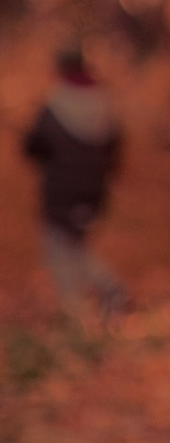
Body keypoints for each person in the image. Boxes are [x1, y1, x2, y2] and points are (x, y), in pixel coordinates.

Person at [25, 42, 124, 322]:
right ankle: (96, 300)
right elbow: (115, 150)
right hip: (94, 190)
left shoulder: (54, 105)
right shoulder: (104, 103)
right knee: (73, 245)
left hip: (60, 191)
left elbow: (32, 146)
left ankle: (88, 304)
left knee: (59, 249)